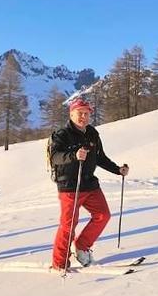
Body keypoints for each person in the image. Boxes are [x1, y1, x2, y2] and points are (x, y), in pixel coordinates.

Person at [49, 98, 129, 271]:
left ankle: (82, 246)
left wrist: (117, 170)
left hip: (89, 183)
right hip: (70, 186)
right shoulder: (62, 134)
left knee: (103, 215)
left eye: (86, 113)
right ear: (71, 114)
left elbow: (100, 157)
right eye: (80, 113)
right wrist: (73, 155)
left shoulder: (92, 133)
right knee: (68, 224)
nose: (83, 117)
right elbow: (55, 156)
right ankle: (59, 263)